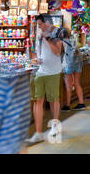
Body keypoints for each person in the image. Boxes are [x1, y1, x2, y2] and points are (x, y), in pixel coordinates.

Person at [26, 14, 63, 143]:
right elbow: (38, 51)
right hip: (40, 71)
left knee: (53, 100)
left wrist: (46, 39)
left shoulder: (58, 32)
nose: (39, 27)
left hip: (53, 71)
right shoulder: (39, 34)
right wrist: (36, 59)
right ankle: (38, 132)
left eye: (41, 24)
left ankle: (55, 126)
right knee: (38, 101)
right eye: (38, 25)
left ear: (47, 22)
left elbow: (57, 51)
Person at [61, 29, 85, 112]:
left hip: (69, 64)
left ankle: (67, 105)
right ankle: (81, 103)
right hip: (77, 63)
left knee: (68, 86)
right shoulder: (73, 40)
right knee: (77, 83)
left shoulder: (62, 42)